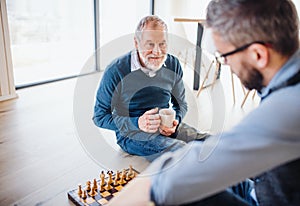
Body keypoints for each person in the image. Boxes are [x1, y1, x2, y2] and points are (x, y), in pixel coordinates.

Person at [106, 0, 300, 205]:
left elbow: (165, 181)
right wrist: (137, 123)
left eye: (224, 56)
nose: (226, 65)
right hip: (265, 190)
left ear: (258, 55)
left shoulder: (288, 108)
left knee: (180, 185)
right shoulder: (287, 85)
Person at [93, 15, 208, 161]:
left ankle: (244, 179)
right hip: (132, 134)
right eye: (150, 44)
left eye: (162, 44)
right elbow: (99, 116)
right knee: (182, 152)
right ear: (136, 43)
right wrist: (137, 122)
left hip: (164, 126)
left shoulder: (173, 64)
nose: (157, 52)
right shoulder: (116, 70)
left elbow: (181, 104)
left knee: (212, 142)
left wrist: (175, 121)